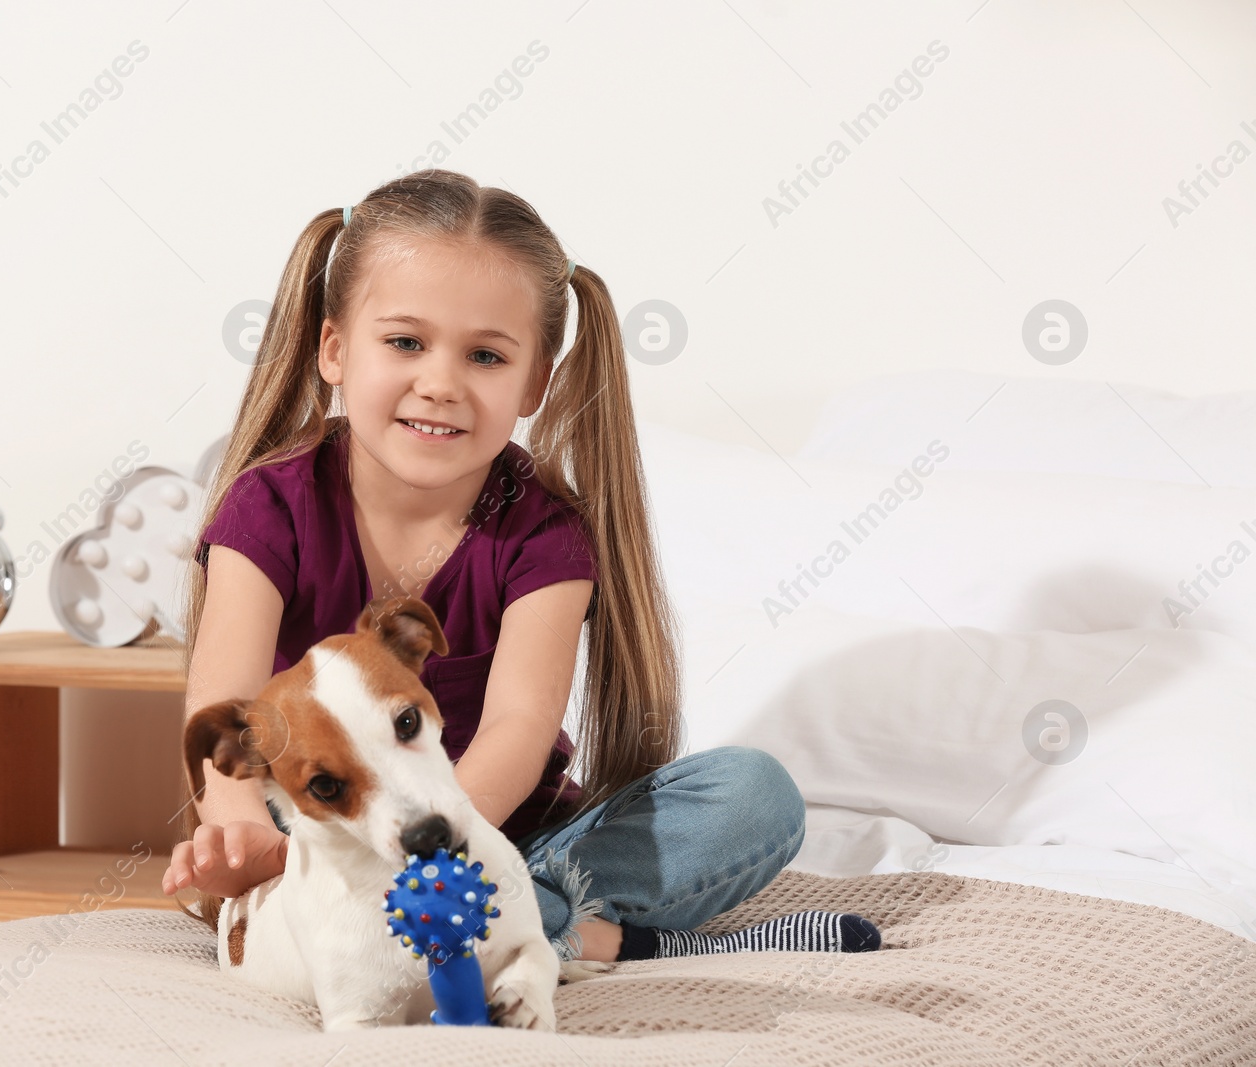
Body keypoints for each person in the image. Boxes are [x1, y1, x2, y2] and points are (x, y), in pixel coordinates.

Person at [162, 168, 880, 963]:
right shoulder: (269, 505)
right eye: (405, 342)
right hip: (328, 841)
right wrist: (242, 836)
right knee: (306, 847)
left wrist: (438, 855)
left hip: (499, 834)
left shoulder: (546, 533)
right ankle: (591, 937)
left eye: (485, 356)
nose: (439, 383)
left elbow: (519, 727)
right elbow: (229, 705)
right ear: (334, 349)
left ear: (535, 380)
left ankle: (480, 922)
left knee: (754, 795)